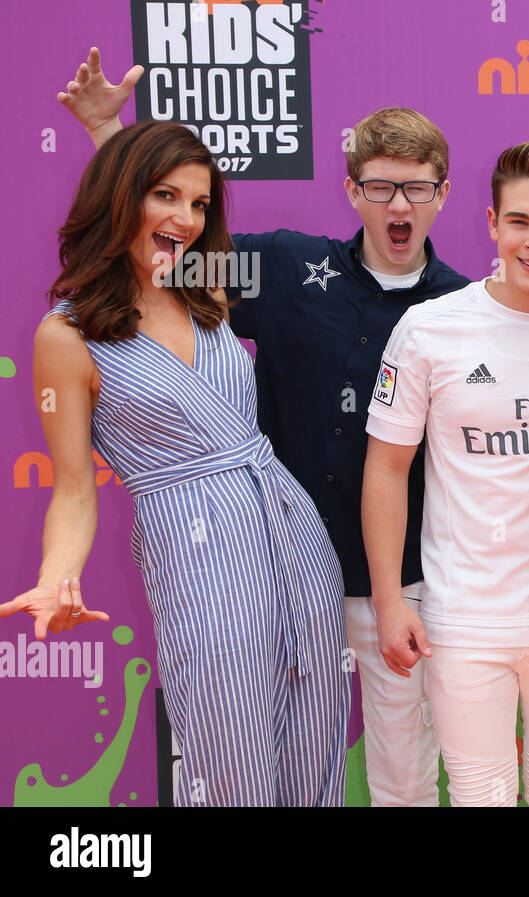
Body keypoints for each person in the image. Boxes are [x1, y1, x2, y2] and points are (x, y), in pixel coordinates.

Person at [56, 48, 472, 806]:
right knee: (245, 764)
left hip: (404, 584)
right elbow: (161, 251)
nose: (398, 205)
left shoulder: (466, 311)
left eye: (416, 187)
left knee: (404, 780)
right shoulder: (282, 266)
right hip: (270, 570)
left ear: (443, 194)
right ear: (352, 190)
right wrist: (109, 136)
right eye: (380, 186)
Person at [1, 121, 349, 806]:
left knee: (315, 745)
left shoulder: (208, 290)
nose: (186, 219)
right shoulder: (67, 336)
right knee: (228, 759)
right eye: (166, 196)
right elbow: (73, 490)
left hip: (292, 531)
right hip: (194, 551)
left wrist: (121, 145)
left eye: (198, 203)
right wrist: (57, 575)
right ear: (122, 197)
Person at [362, 142, 529, 807]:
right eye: (520, 221)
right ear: (493, 221)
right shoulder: (429, 330)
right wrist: (390, 602)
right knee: (481, 797)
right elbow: (386, 468)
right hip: (464, 619)